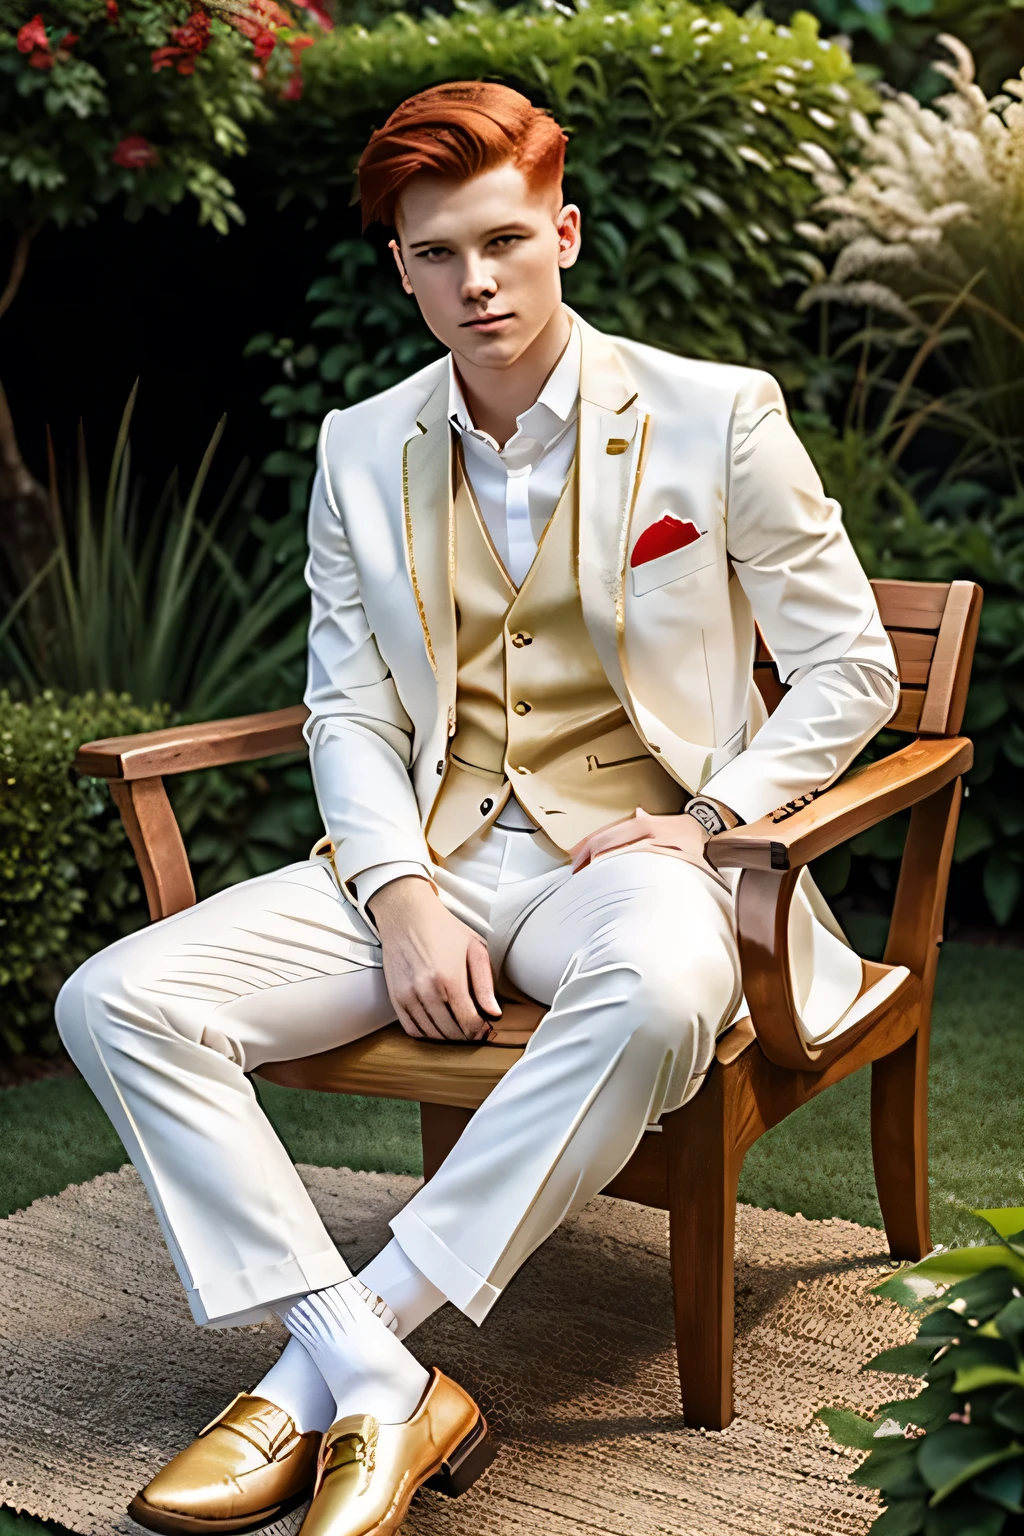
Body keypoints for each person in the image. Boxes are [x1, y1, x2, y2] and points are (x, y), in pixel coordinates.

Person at [55, 81, 898, 1536]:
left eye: (504, 241)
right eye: (437, 253)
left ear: (562, 232)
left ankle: (334, 1359)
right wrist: (400, 895)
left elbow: (851, 665)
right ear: (403, 267)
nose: (476, 281)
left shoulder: (713, 416)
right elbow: (351, 711)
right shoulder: (357, 445)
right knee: (117, 1000)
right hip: (434, 850)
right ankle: (384, 1380)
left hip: (630, 852)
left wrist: (709, 816)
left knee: (661, 991)